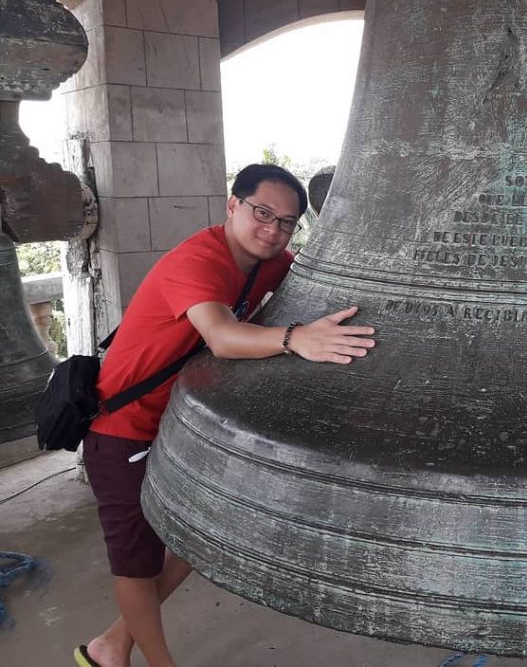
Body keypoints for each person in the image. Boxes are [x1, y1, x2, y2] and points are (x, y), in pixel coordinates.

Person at [74, 164, 376, 667]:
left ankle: (111, 644)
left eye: (286, 222)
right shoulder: (198, 261)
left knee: (201, 535)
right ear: (232, 205)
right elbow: (221, 336)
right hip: (122, 431)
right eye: (263, 213)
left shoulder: (267, 262)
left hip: (180, 426)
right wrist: (294, 338)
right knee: (136, 566)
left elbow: (321, 276)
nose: (274, 229)